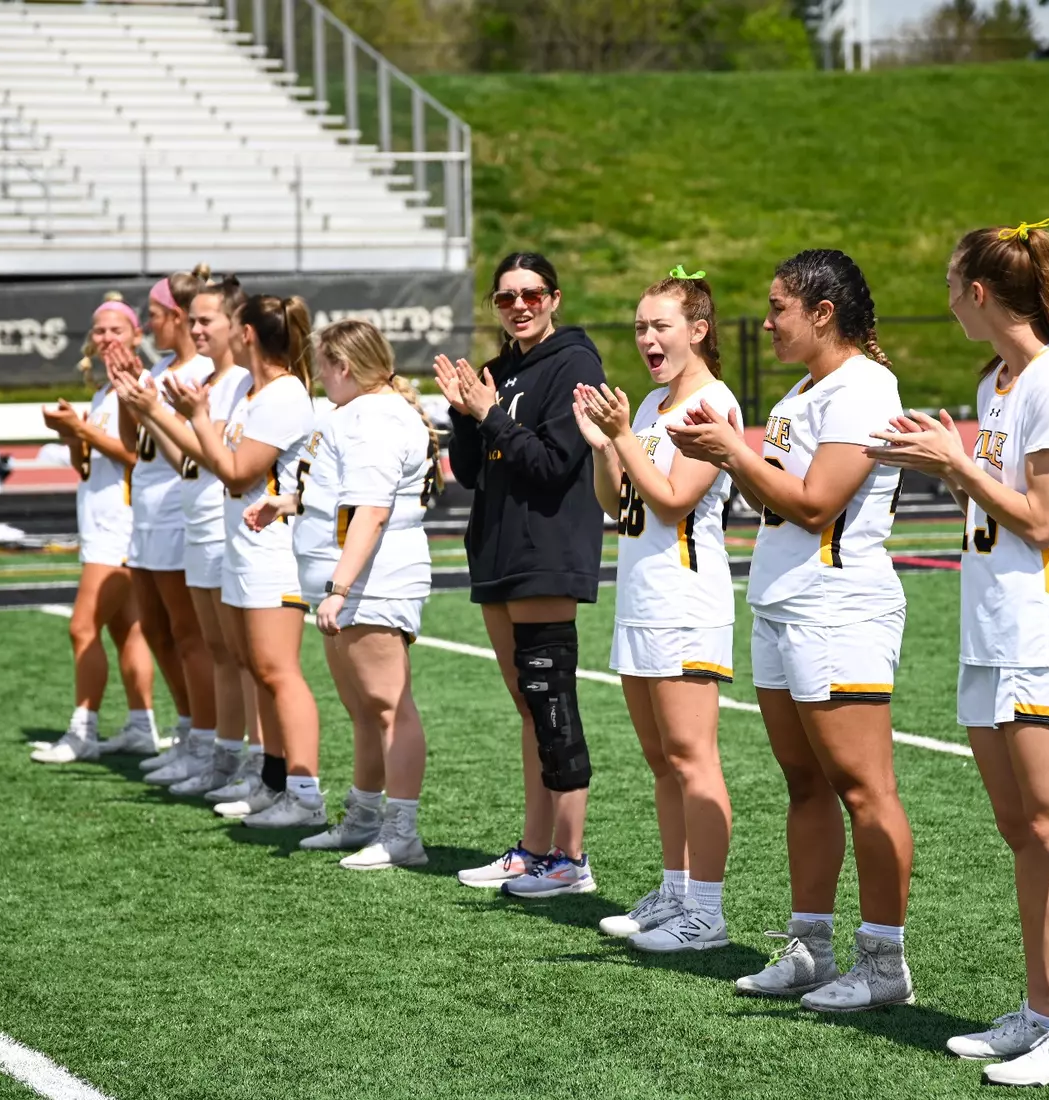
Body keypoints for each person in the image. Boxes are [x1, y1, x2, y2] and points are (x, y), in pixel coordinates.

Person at [868, 219, 1049, 1086]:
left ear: (980, 294)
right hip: (994, 628)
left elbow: (1042, 517)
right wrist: (947, 459)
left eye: (951, 285)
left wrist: (957, 462)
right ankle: (1043, 1011)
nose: (946, 299)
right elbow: (997, 499)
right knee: (1023, 832)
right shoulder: (998, 383)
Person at [668, 249, 915, 1012]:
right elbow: (773, 496)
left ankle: (884, 961)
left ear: (822, 312)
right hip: (781, 603)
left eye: (779, 308)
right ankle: (811, 946)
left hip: (837, 607)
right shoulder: (800, 393)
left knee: (864, 789)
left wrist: (732, 452)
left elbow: (816, 504)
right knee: (803, 783)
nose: (768, 322)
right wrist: (723, 453)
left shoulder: (866, 388)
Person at [571, 267, 737, 952]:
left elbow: (672, 499)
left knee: (694, 758)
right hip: (641, 601)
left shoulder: (711, 404)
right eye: (640, 327)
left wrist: (625, 441)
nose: (647, 338)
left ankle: (708, 910)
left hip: (685, 602)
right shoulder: (648, 406)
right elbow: (619, 503)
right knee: (660, 759)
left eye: (660, 325)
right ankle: (674, 891)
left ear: (697, 329)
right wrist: (606, 444)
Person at [434, 252, 607, 898]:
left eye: (531, 294)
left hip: (546, 553)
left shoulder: (575, 364)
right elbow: (474, 472)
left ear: (555, 298)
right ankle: (534, 851)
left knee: (551, 702)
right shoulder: (500, 369)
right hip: (499, 554)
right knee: (529, 710)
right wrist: (463, 412)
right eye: (505, 298)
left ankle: (571, 858)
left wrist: (492, 415)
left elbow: (556, 462)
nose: (519, 306)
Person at [247, 318, 439, 869]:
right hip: (356, 576)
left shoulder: (373, 416)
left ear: (344, 366)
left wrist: (339, 586)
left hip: (374, 578)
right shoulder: (356, 412)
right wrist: (289, 504)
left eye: (325, 367)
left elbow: (372, 510)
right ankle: (363, 817)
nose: (322, 379)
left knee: (387, 705)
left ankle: (401, 831)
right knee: (361, 707)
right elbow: (340, 494)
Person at [158, 294, 324, 829]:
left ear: (246, 333)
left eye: (227, 322)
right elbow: (216, 460)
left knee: (279, 672)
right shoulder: (258, 391)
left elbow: (234, 473)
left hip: (274, 551)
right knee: (258, 668)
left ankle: (304, 792)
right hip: (246, 547)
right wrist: (178, 418)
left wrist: (198, 416)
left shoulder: (283, 394)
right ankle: (274, 778)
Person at [114, 278, 256, 799]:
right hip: (195, 520)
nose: (194, 329)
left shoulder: (237, 381)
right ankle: (215, 752)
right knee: (218, 650)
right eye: (190, 319)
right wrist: (147, 408)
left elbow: (227, 467)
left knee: (243, 657)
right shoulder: (215, 380)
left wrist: (157, 410)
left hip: (224, 527)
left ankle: (260, 767)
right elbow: (188, 462)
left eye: (204, 320)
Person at [31, 296, 159, 764]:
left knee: (82, 627)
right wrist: (72, 434)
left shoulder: (138, 386)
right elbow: (89, 466)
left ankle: (83, 729)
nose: (106, 338)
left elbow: (134, 457)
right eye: (99, 331)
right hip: (102, 522)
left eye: (116, 331)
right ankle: (142, 725)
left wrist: (82, 433)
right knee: (128, 631)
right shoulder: (105, 391)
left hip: (121, 527)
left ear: (136, 336)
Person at [104, 267, 219, 785]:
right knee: (155, 629)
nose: (148, 327)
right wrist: (127, 391)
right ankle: (188, 729)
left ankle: (205, 739)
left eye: (153, 316)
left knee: (186, 634)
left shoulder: (206, 373)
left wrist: (152, 406)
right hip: (147, 513)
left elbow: (191, 457)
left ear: (176, 316)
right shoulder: (162, 369)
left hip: (180, 513)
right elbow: (135, 445)